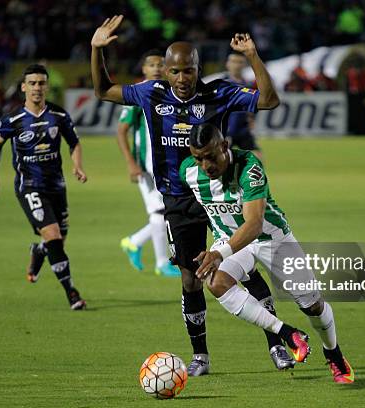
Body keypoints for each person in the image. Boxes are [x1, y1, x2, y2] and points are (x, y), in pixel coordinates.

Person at [91, 15, 290, 375]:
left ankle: (277, 345)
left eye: (189, 71)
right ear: (165, 72)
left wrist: (253, 57)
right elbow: (104, 90)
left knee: (244, 270)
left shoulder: (220, 92)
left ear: (198, 69)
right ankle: (201, 356)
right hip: (180, 200)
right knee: (189, 278)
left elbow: (270, 100)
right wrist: (96, 50)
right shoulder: (150, 94)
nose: (183, 79)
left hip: (220, 192)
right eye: (176, 72)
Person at [182, 123, 355, 384]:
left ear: (225, 147)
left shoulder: (249, 165)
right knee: (215, 281)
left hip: (273, 240)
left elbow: (254, 225)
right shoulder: (189, 171)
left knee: (312, 306)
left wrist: (219, 254)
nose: (205, 165)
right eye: (199, 158)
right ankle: (286, 333)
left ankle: (334, 354)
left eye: (210, 156)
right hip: (229, 241)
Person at [0, 64, 87, 311]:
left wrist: (77, 166)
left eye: (41, 83)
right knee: (53, 235)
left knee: (57, 241)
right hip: (29, 186)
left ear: (47, 87)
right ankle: (72, 293)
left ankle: (39, 251)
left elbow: (74, 143)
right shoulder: (13, 118)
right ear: (23, 87)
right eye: (32, 83)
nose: (37, 88)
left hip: (57, 186)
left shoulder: (59, 115)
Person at [117, 50, 180, 277]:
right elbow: (121, 130)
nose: (156, 68)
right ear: (143, 69)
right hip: (146, 166)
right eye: (151, 64)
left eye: (160, 64)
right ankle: (162, 263)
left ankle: (134, 242)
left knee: (172, 209)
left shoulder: (169, 93)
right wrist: (131, 163)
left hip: (168, 164)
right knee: (160, 211)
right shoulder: (137, 94)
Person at [222, 51, 262, 158]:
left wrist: (252, 118)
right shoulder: (221, 85)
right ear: (227, 64)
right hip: (226, 131)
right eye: (234, 61)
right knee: (222, 161)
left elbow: (255, 106)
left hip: (243, 131)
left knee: (257, 157)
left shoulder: (249, 85)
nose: (236, 65)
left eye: (240, 62)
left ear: (244, 65)